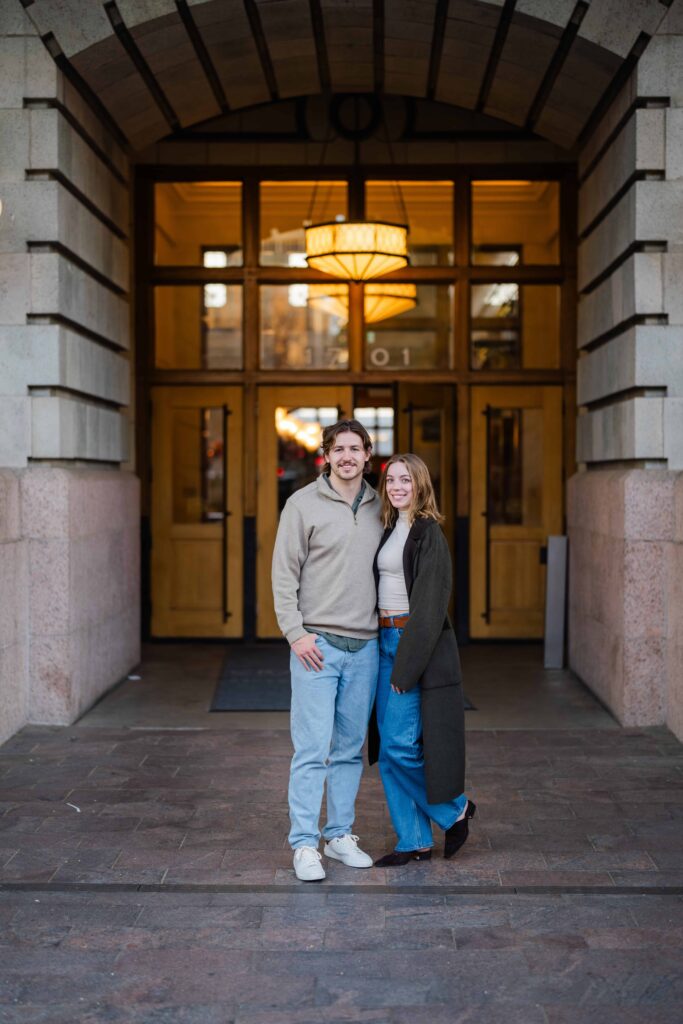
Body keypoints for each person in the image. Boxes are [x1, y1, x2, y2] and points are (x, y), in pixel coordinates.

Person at [272, 419, 383, 882]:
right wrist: (295, 634)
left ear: (368, 455)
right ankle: (303, 843)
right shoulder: (301, 504)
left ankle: (338, 836)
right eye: (339, 449)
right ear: (326, 455)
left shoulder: (384, 506)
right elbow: (283, 574)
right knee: (311, 749)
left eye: (355, 449)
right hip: (316, 644)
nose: (347, 457)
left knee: (350, 750)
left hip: (367, 646)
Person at [369, 453, 475, 866]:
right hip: (381, 638)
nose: (397, 487)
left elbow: (430, 607)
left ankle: (456, 811)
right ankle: (412, 840)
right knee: (387, 748)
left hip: (409, 642)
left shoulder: (429, 533)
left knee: (399, 744)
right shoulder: (390, 527)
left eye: (405, 480)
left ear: (420, 485)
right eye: (391, 480)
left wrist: (406, 665)